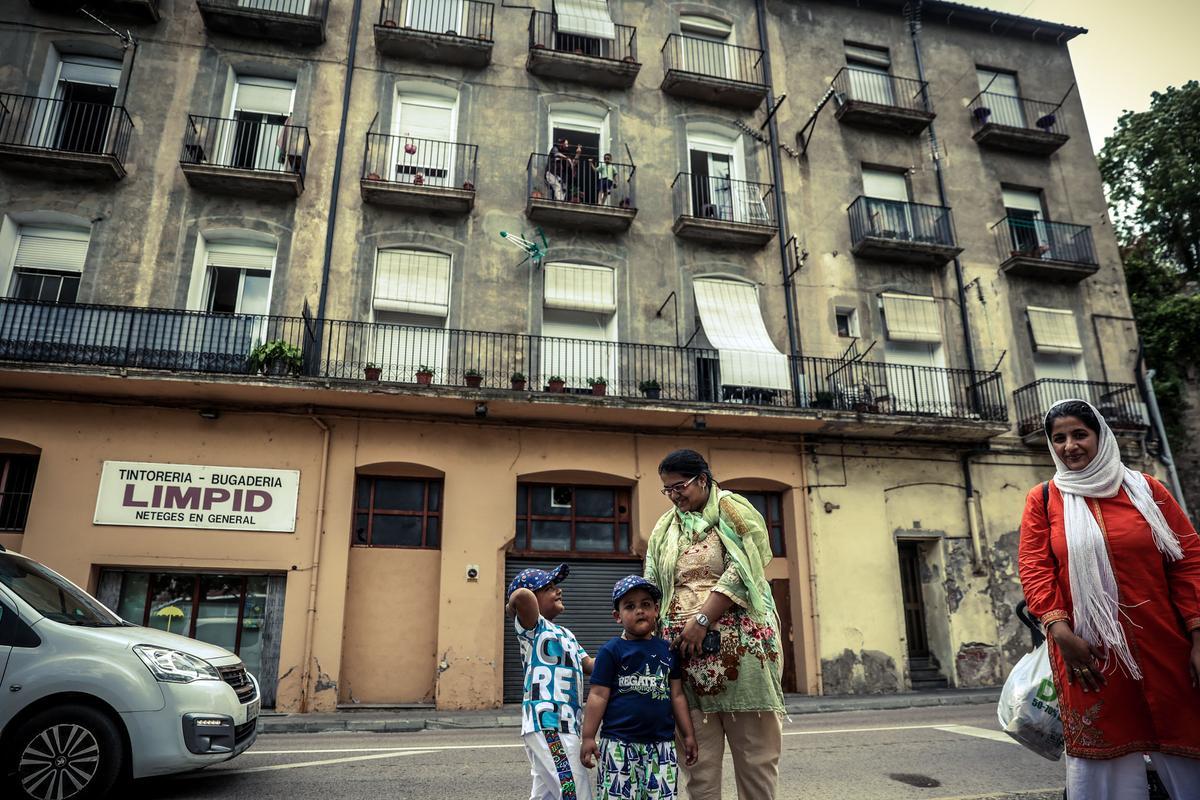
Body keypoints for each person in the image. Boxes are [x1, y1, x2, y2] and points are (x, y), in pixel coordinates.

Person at [1018, 399, 1200, 799]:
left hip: (1166, 644)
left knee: (1186, 742)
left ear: (1100, 436)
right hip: (1089, 652)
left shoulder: (1146, 490)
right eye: (1059, 438)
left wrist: (1198, 635)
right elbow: (1034, 568)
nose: (1070, 446)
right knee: (1105, 755)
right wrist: (1062, 633)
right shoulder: (1045, 499)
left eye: (1080, 434)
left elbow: (1188, 561)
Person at [643, 449, 786, 800]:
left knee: (756, 763)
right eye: (667, 490)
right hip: (687, 665)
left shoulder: (731, 509)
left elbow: (747, 564)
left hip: (743, 660)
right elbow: (652, 581)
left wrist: (703, 619)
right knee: (698, 769)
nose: (674, 496)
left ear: (703, 480)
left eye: (679, 487)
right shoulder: (665, 527)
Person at [580, 576, 698, 799]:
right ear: (617, 616)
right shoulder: (611, 651)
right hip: (618, 745)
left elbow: (677, 695)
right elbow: (597, 696)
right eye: (630, 606)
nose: (639, 611)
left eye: (645, 604)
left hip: (661, 747)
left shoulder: (668, 651)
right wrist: (588, 737)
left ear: (656, 610)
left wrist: (688, 735)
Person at [508, 564, 596, 800]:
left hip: (565, 725)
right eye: (548, 587)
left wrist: (624, 652)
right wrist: (512, 605)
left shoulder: (567, 635)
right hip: (548, 722)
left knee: (545, 795)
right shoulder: (533, 629)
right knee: (574, 792)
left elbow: (590, 666)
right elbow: (522, 596)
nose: (558, 591)